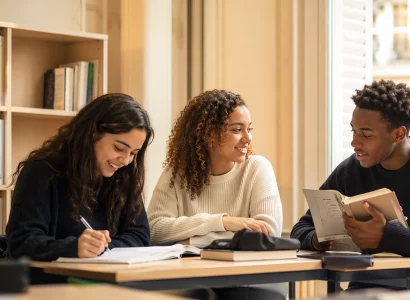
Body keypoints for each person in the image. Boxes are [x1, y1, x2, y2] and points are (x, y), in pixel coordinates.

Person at [290, 80, 410, 288]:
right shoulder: (351, 170)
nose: (355, 142)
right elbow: (300, 228)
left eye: (366, 135)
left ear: (398, 134)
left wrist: (387, 236)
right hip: (368, 291)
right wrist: (318, 239)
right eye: (353, 132)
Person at [147, 89, 284, 300]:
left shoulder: (257, 168)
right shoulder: (176, 173)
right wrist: (223, 222)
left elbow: (267, 233)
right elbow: (155, 229)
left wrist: (189, 241)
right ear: (208, 134)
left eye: (249, 129)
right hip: (188, 275)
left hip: (244, 276)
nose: (248, 138)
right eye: (237, 129)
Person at [6, 93, 154, 279]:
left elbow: (140, 235)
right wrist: (73, 247)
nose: (125, 160)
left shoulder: (123, 176)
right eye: (118, 148)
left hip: (106, 282)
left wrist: (102, 248)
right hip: (52, 287)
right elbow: (21, 242)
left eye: (133, 153)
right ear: (93, 134)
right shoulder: (41, 171)